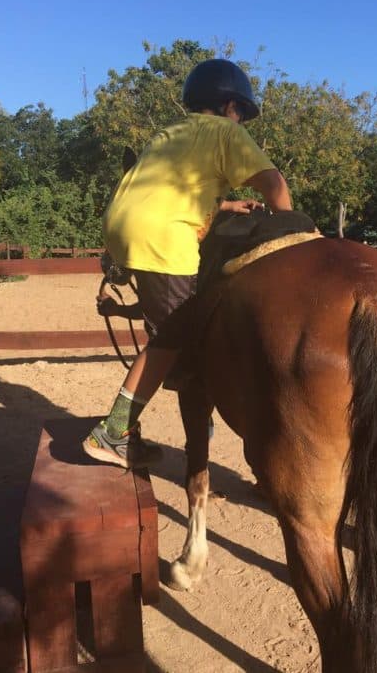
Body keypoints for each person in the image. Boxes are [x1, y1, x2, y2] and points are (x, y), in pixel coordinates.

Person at [83, 58, 293, 469]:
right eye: (242, 115)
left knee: (172, 328)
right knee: (172, 337)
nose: (242, 123)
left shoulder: (171, 132)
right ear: (231, 106)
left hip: (124, 225)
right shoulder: (225, 132)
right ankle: (113, 432)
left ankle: (138, 421)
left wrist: (227, 203)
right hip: (163, 238)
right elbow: (274, 183)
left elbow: (172, 194)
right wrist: (295, 234)